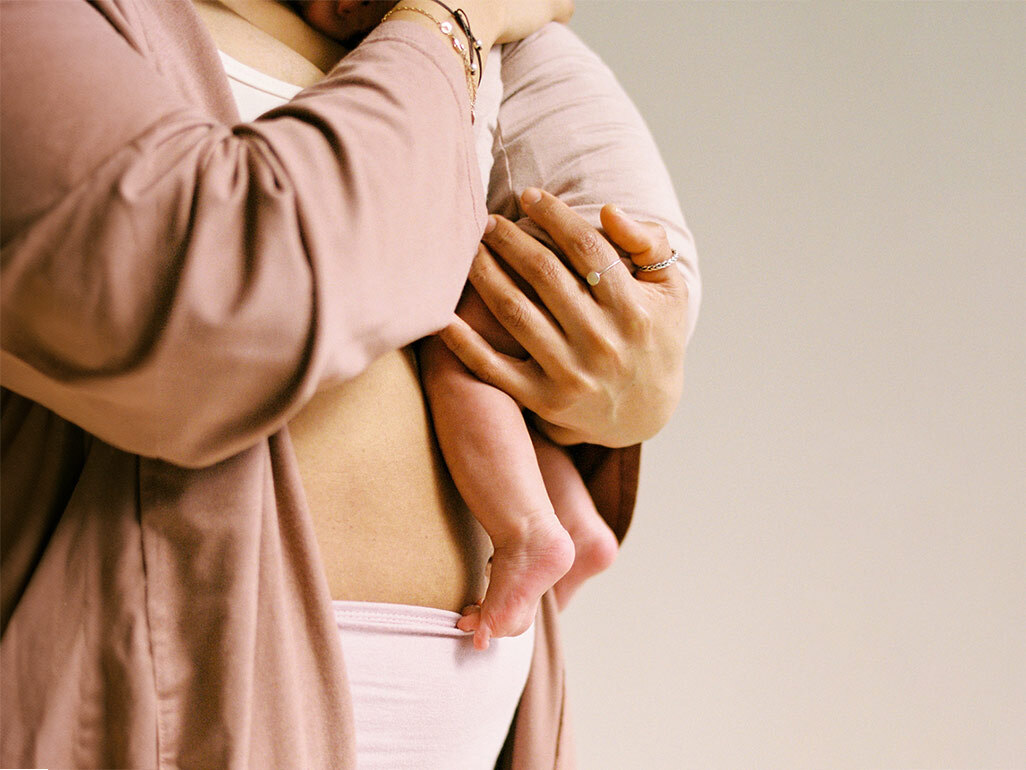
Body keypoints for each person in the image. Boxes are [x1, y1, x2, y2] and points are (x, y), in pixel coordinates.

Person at [1, 1, 698, 768]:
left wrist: (626, 393)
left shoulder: (479, 41)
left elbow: (587, 283)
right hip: (166, 716)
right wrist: (456, 17)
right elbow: (211, 305)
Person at [296, 0, 662, 650]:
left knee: (460, 352)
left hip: (582, 244)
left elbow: (435, 173)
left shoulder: (470, 35)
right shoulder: (538, 40)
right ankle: (576, 523)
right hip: (633, 248)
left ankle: (527, 531)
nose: (325, 13)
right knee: (509, 383)